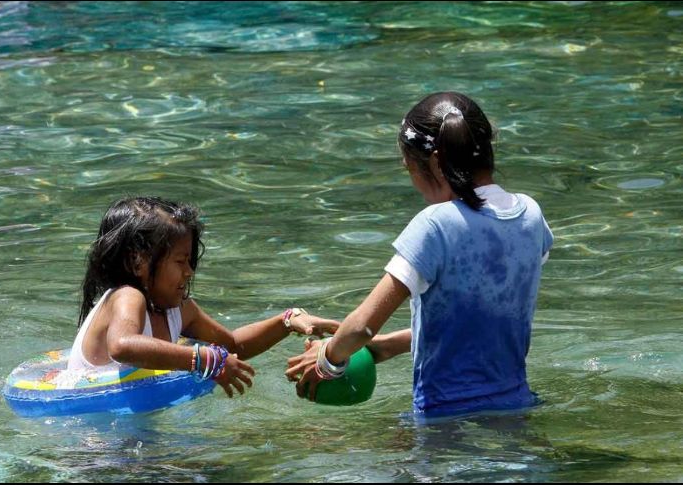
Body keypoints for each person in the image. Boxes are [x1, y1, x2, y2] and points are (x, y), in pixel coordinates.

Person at [286, 92, 554, 419]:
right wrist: (387, 346)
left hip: (444, 420)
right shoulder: (530, 215)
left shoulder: (435, 225)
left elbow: (360, 328)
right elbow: (482, 320)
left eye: (409, 168)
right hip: (518, 409)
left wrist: (328, 361)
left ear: (436, 164)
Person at [69, 196, 339, 398]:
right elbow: (123, 345)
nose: (188, 272)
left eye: (190, 261)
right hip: (90, 434)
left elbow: (234, 346)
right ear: (138, 262)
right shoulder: (127, 297)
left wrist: (287, 320)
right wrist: (204, 360)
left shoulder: (180, 310)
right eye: (180, 261)